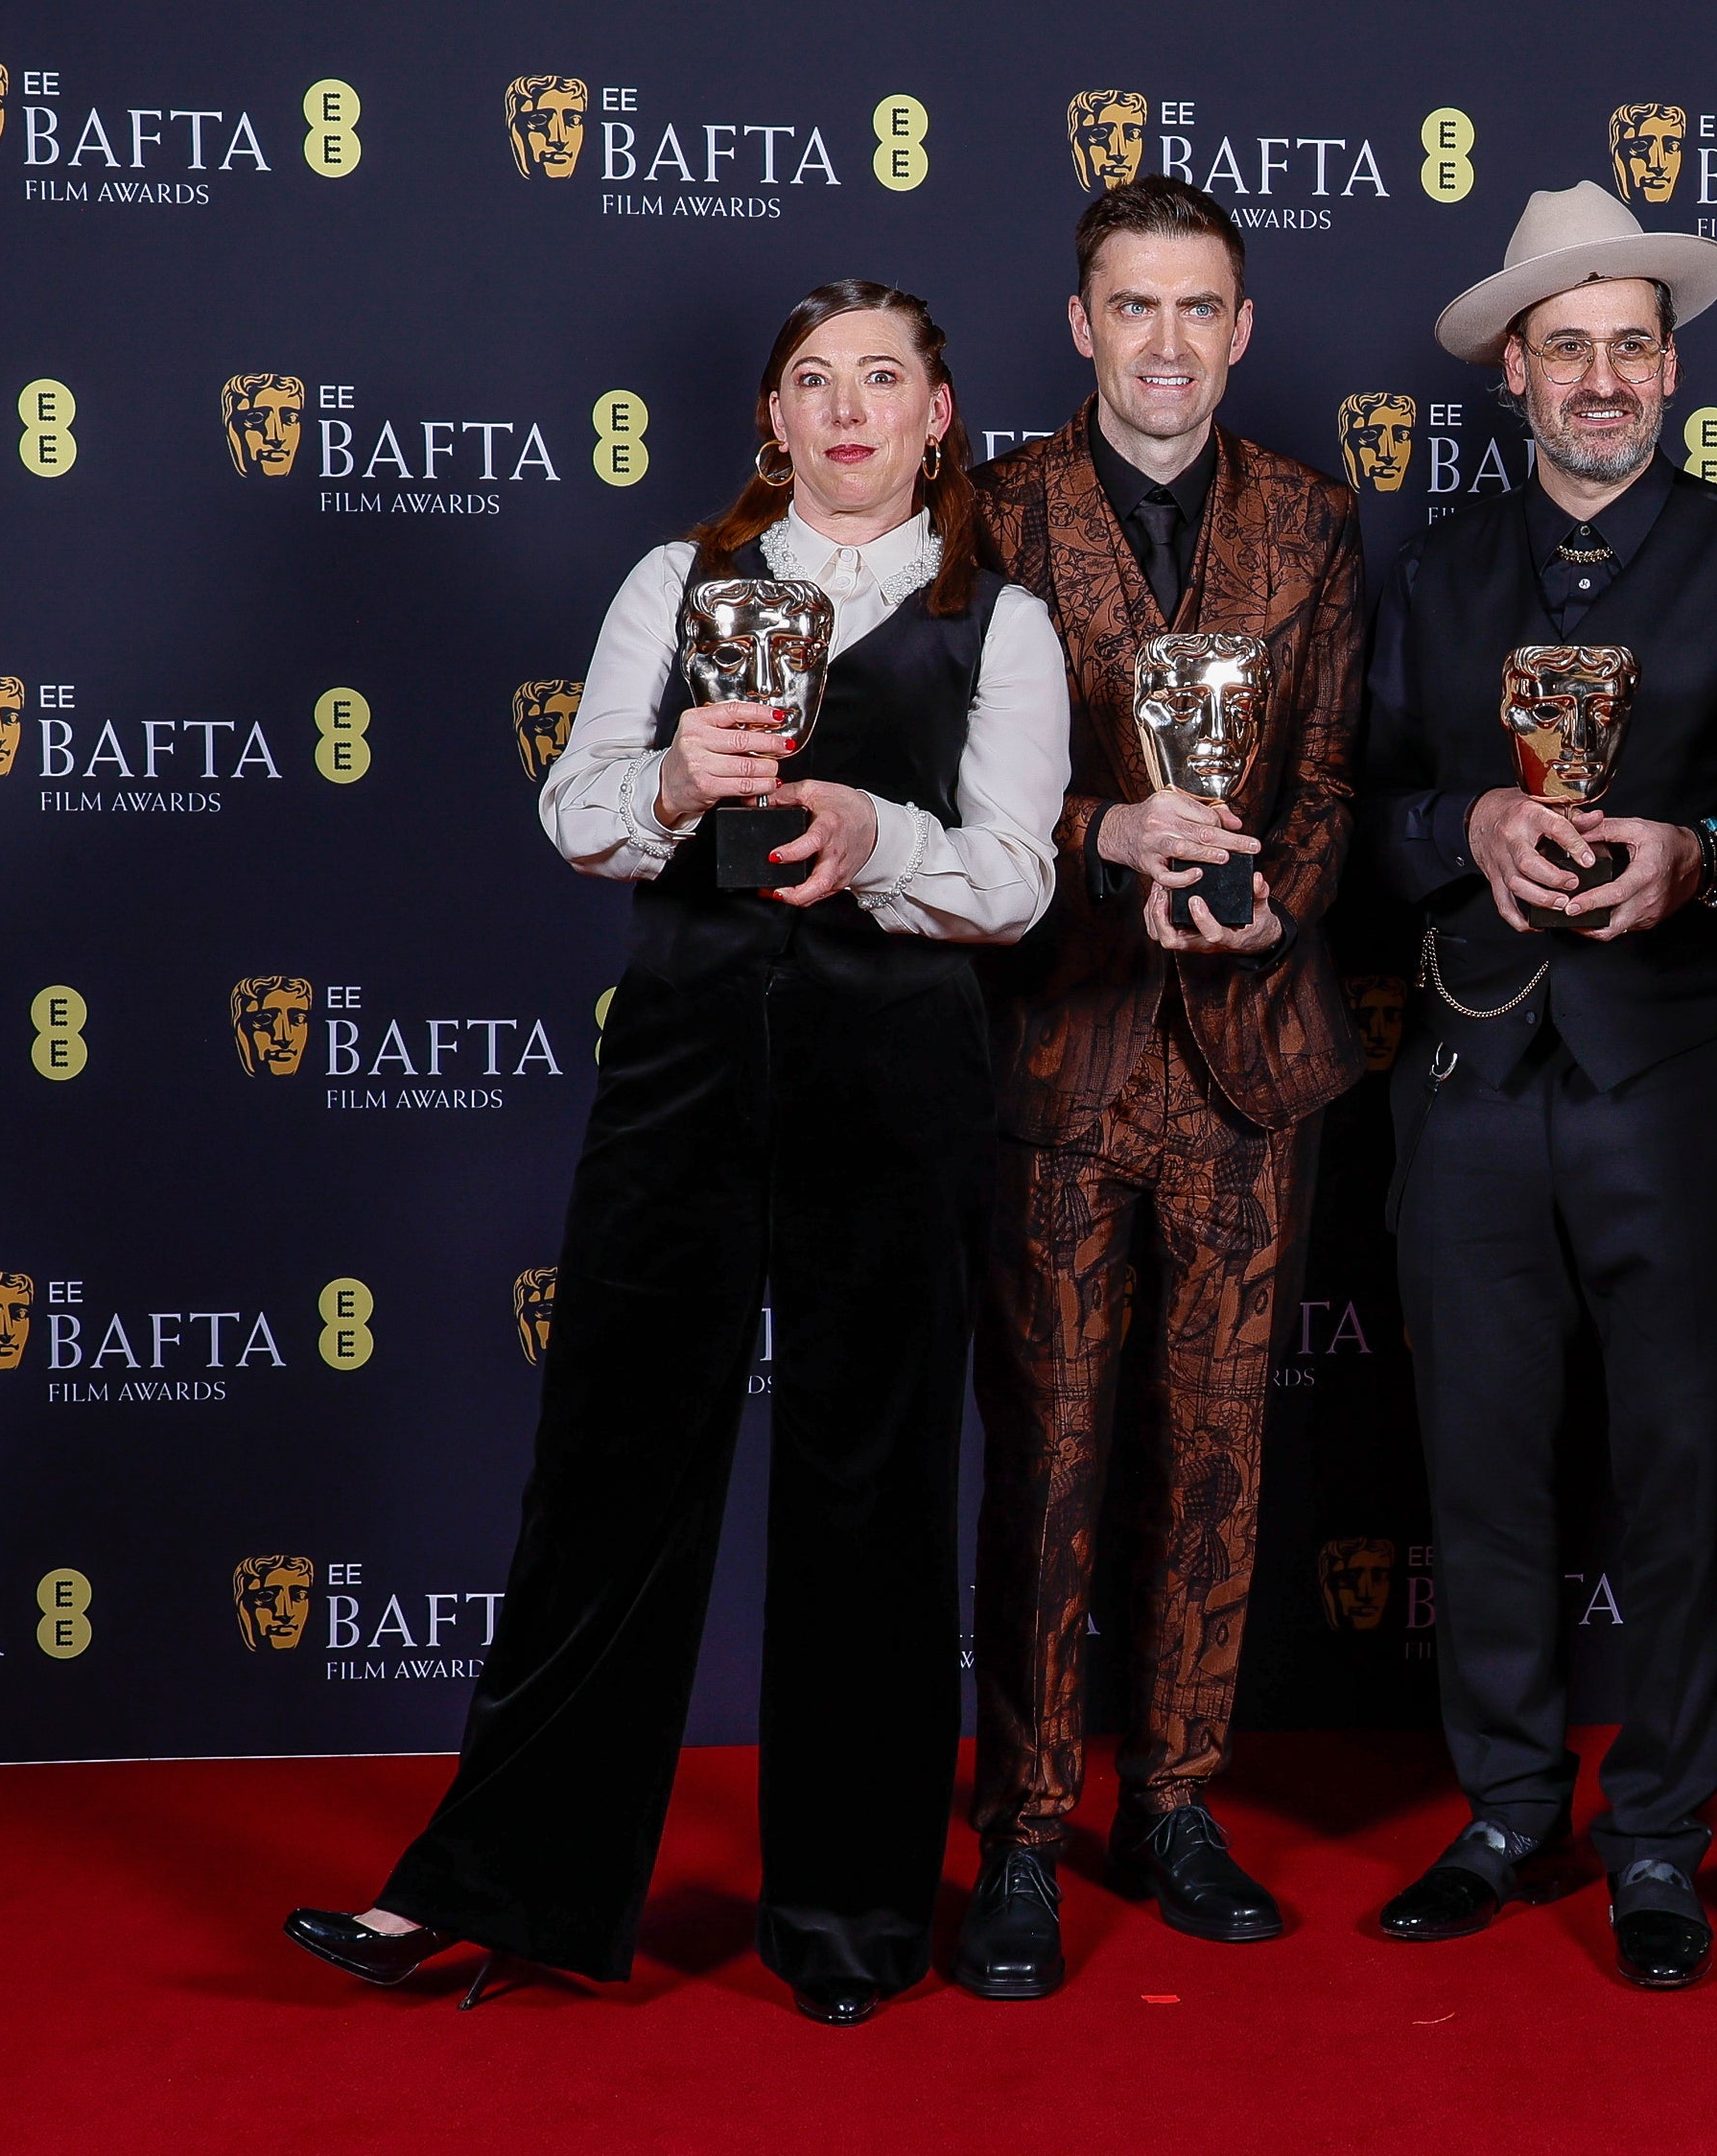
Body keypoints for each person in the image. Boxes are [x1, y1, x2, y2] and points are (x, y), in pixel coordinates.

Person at [282, 279, 1069, 2027]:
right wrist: (677, 792)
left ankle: (853, 1923)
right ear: (772, 419)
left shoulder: (994, 621)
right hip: (687, 1069)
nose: (849, 409)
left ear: (943, 418)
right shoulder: (676, 580)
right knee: (606, 1475)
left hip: (896, 1081)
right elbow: (575, 814)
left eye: (885, 379)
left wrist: (874, 830)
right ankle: (498, 1888)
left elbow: (1016, 879)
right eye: (813, 381)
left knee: (870, 1490)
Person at [1360, 181, 1717, 1991]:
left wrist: (1697, 855)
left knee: (1682, 1473)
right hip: (1475, 1073)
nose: (1604, 376)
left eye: (1634, 344)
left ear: (1672, 370)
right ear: (1513, 374)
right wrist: (1466, 821)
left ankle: (1656, 1838)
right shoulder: (1434, 569)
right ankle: (1500, 1811)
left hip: (1686, 1079)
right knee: (1478, 1473)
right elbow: (1371, 815)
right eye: (1567, 346)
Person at [956, 176, 1366, 1996]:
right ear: (1081, 325)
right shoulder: (990, 514)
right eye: (1137, 308)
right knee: (1047, 1460)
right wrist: (1099, 830)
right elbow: (933, 781)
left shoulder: (1314, 521)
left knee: (1214, 1462)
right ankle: (1028, 1830)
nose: (1171, 344)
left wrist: (1275, 887)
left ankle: (1177, 1801)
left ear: (1244, 328)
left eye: (1203, 310)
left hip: (1246, 1066)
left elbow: (1341, 779)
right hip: (1063, 1048)